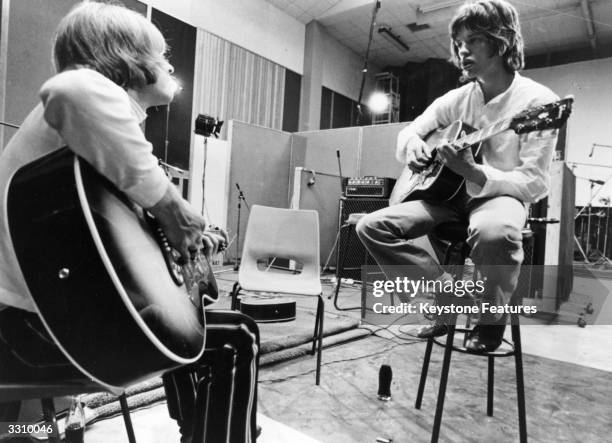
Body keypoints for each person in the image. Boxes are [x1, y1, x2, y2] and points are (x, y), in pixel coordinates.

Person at [0, 3, 258, 442]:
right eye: (160, 55)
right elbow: (70, 90)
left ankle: (194, 432)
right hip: (21, 330)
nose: (170, 65)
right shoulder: (83, 94)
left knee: (186, 326)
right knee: (236, 337)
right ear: (125, 58)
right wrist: (172, 210)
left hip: (39, 319)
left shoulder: (101, 144)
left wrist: (185, 254)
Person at [356, 0, 559, 352]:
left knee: (494, 232)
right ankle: (447, 298)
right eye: (459, 42)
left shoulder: (538, 102)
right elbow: (408, 134)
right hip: (448, 200)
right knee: (371, 226)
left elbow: (535, 183)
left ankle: (489, 319)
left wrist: (475, 171)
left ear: (502, 40)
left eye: (474, 40)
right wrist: (414, 148)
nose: (463, 49)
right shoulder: (457, 99)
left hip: (498, 197)